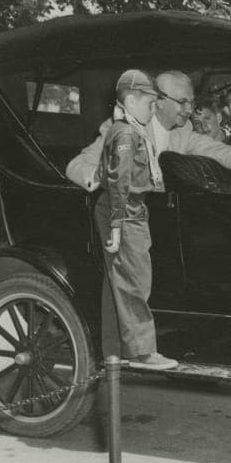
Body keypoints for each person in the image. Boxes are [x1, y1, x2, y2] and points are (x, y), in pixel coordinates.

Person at [66, 70, 231, 191]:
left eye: (191, 102)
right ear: (158, 101)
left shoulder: (182, 130)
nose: (189, 110)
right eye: (182, 102)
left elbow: (215, 149)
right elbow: (76, 165)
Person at [93, 70, 174, 370]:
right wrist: (117, 224)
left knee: (116, 282)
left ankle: (114, 349)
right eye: (150, 102)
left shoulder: (129, 129)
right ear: (130, 100)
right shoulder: (126, 133)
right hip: (124, 210)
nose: (153, 109)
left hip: (127, 209)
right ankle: (142, 352)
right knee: (135, 282)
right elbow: (119, 181)